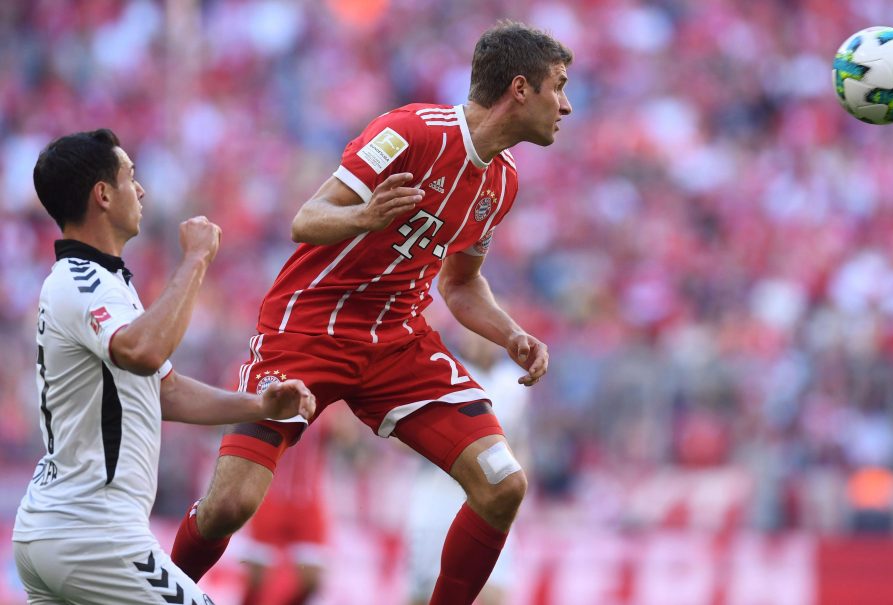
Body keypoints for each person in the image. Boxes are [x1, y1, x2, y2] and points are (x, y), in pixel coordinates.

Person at [171, 20, 572, 605]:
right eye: (558, 86)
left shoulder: (502, 184)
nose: (565, 104)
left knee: (503, 483)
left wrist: (511, 334)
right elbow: (306, 220)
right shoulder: (409, 131)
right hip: (308, 328)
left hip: (397, 342)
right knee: (230, 506)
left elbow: (461, 287)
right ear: (519, 88)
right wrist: (365, 217)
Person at [12, 129, 316, 605]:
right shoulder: (82, 280)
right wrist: (196, 258)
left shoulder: (105, 282)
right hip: (93, 531)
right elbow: (144, 352)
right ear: (103, 195)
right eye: (130, 176)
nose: (142, 189)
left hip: (58, 528)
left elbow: (164, 390)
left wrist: (258, 404)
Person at [405, 328, 531, 605]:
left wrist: (519, 496)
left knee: (495, 593)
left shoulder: (514, 384)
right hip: (437, 500)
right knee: (422, 596)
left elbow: (519, 443)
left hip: (492, 500)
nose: (480, 339)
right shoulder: (442, 373)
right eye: (474, 332)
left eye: (486, 333)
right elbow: (402, 437)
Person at [235, 426, 328, 605]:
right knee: (257, 578)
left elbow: (347, 435)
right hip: (269, 495)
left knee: (311, 579)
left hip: (307, 501)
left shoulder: (329, 406)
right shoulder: (270, 397)